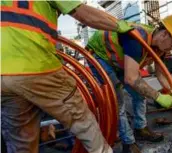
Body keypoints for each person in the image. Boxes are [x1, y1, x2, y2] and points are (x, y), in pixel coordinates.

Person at [1, 1, 133, 153]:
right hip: (35, 66)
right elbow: (85, 14)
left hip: (3, 76)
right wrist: (118, 25)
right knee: (82, 121)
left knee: (21, 143)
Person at [85, 14, 172, 152]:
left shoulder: (161, 47)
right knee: (118, 101)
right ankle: (128, 143)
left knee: (140, 94)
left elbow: (160, 74)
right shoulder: (136, 38)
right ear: (165, 34)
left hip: (120, 60)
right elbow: (131, 78)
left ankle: (140, 129)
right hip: (101, 56)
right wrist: (158, 97)